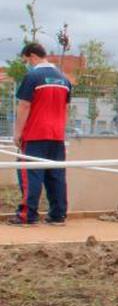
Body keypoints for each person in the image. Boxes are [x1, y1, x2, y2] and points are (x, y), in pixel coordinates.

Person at [10, 43, 72, 226]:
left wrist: (17, 133)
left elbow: (24, 105)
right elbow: (66, 109)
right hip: (57, 135)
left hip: (35, 134)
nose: (27, 64)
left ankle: (27, 215)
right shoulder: (64, 79)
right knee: (56, 175)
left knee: (31, 174)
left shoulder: (32, 76)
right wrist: (60, 129)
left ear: (32, 56)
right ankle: (58, 215)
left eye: (26, 60)